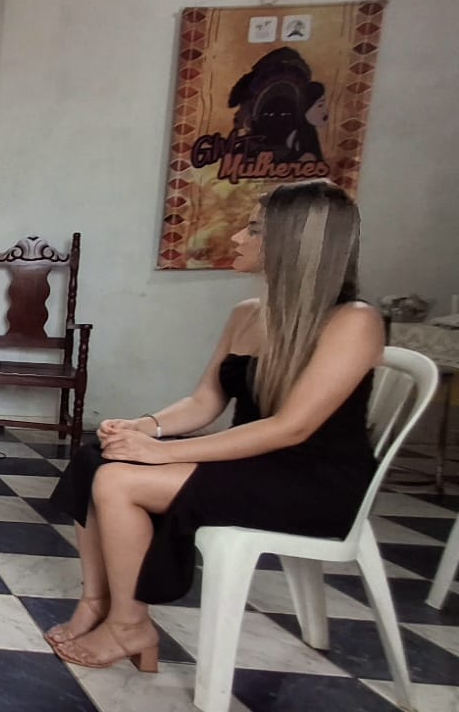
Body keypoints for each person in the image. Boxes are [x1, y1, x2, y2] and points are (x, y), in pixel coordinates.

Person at [44, 180, 383, 673]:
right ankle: (96, 602)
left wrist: (161, 454)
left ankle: (129, 623)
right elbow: (205, 401)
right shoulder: (247, 314)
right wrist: (143, 428)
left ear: (290, 244)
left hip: (311, 481)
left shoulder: (354, 321)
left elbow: (292, 429)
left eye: (253, 229)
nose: (239, 239)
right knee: (99, 454)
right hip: (251, 460)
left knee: (120, 480)